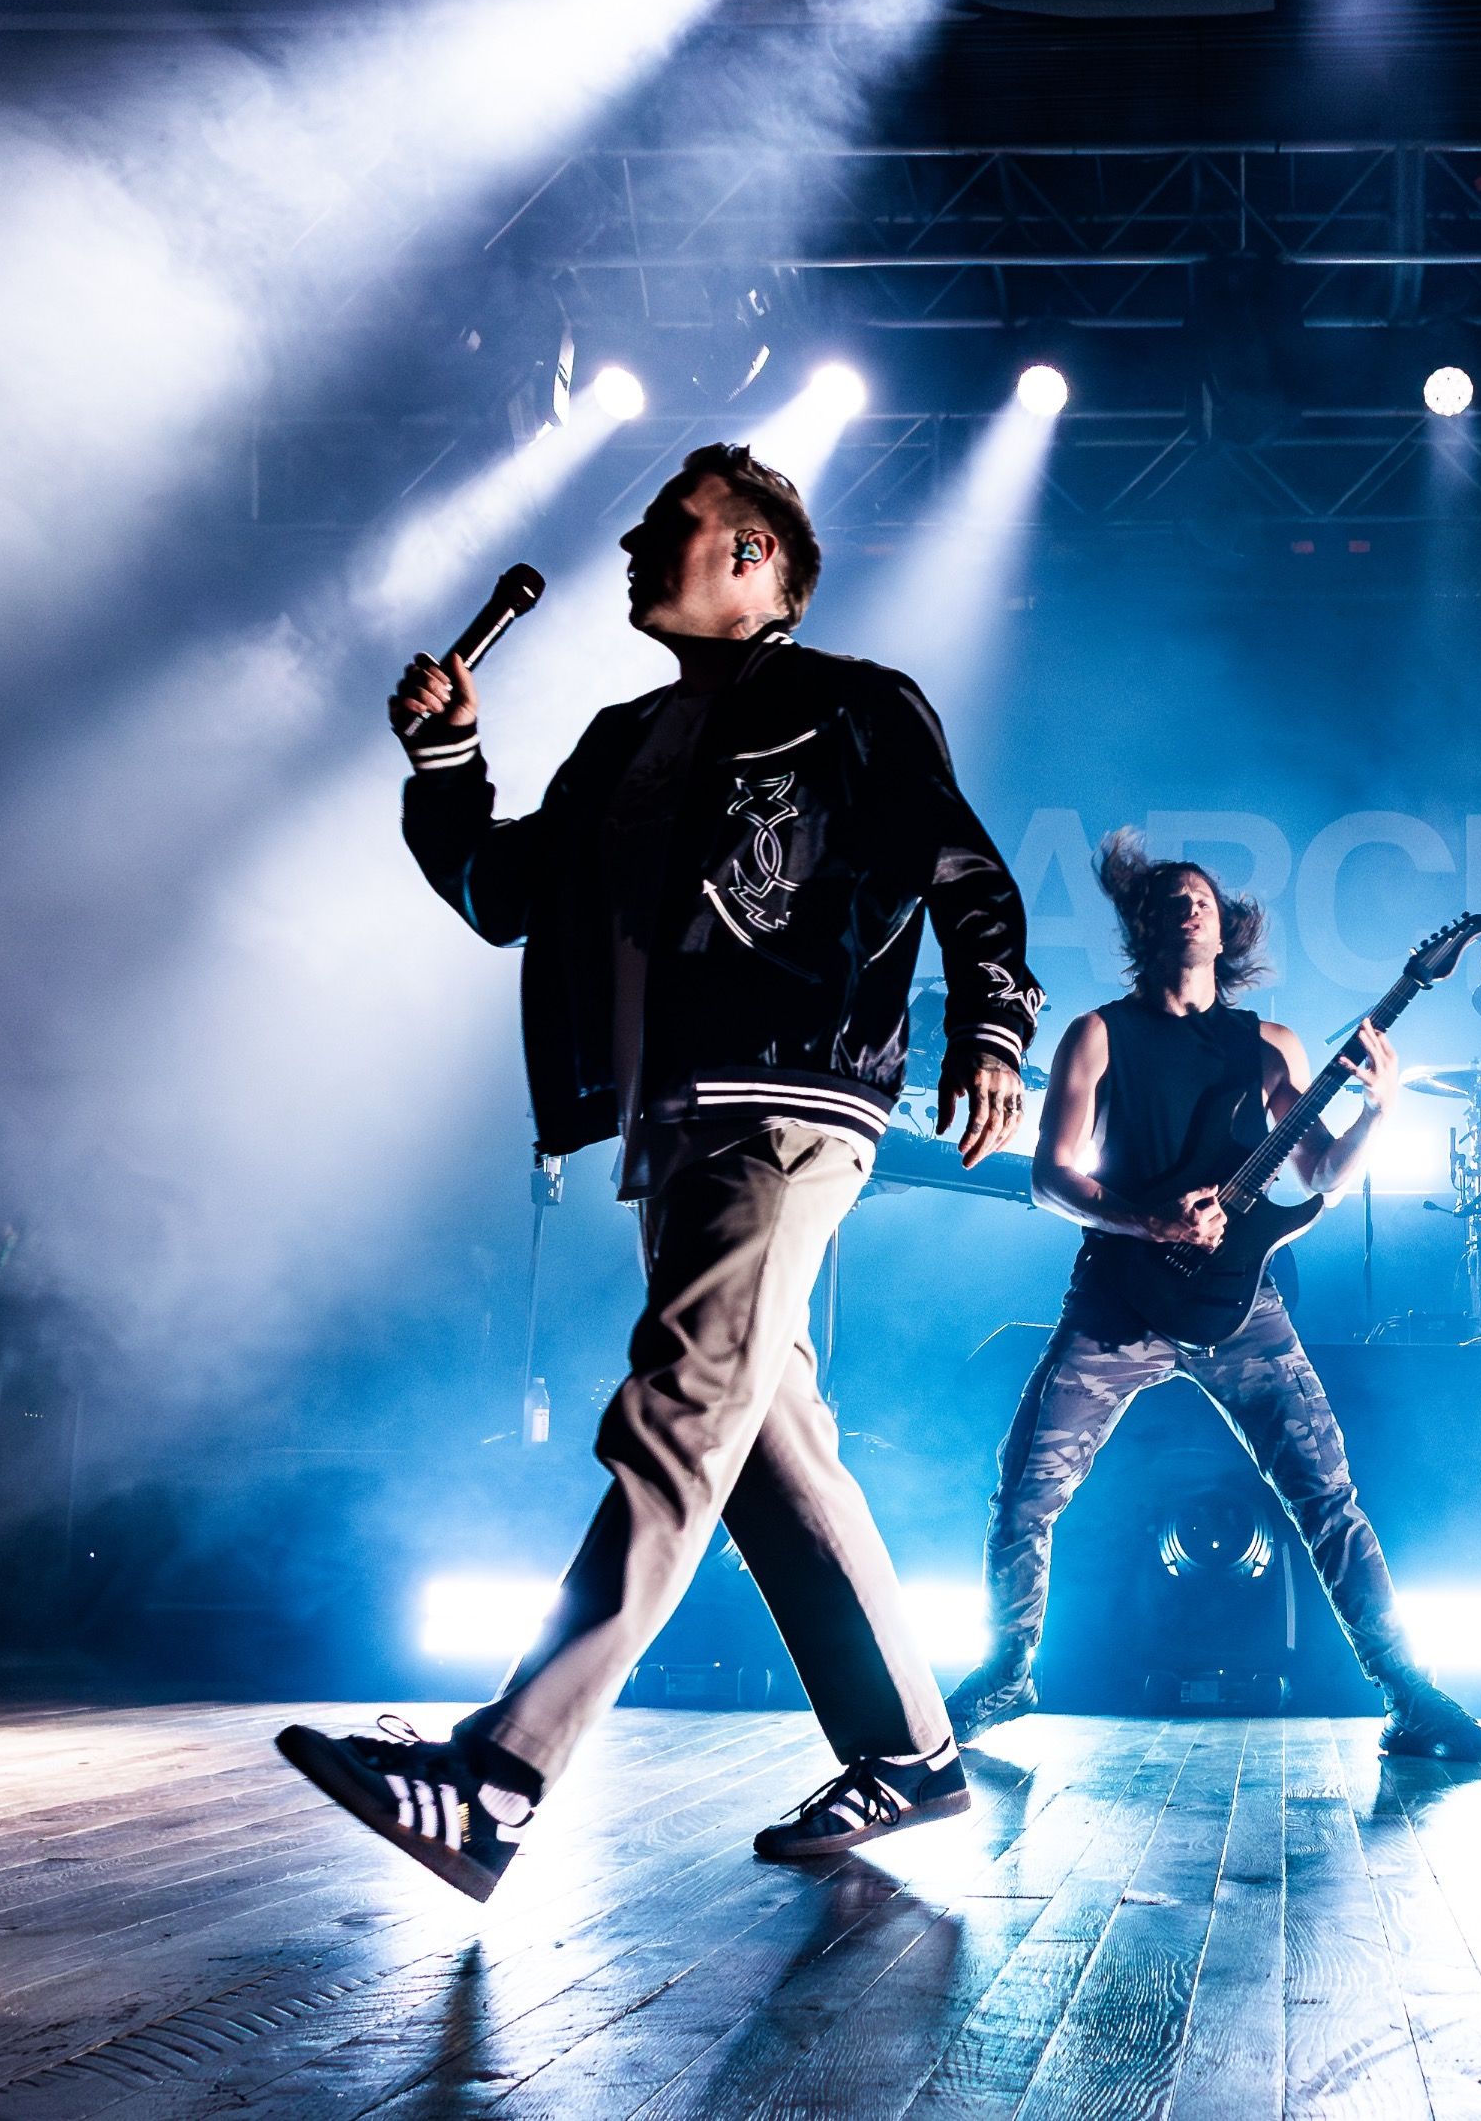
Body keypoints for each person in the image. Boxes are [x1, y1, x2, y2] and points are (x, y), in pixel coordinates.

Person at [276, 442, 1042, 1899]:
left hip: (788, 1099)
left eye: (668, 524)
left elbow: (962, 868)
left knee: (681, 1409)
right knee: (762, 1443)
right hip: (672, 1120)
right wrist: (447, 764)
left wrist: (993, 1024)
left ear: (756, 557)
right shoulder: (622, 739)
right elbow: (505, 892)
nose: (634, 544)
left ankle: (498, 1775)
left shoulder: (853, 702)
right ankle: (912, 1749)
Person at [944, 836, 1481, 1764]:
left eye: (1201, 898)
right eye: (1169, 898)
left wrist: (1378, 1108)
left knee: (1328, 1498)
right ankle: (1006, 1675)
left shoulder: (1270, 1047)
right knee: (1024, 1495)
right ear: (1145, 926)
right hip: (1119, 1302)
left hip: (1245, 1309)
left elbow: (1319, 1174)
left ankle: (1410, 1696)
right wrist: (1147, 1220)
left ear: (1225, 929)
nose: (1188, 907)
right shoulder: (1099, 1034)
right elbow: (1049, 1179)